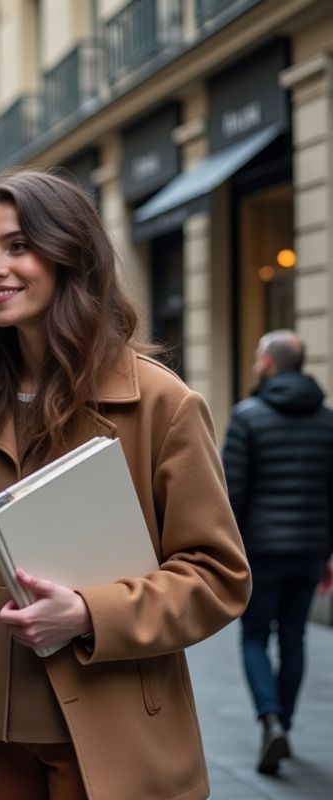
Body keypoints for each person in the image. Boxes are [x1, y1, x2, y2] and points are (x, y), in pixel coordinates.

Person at [0, 171, 251, 800]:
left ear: (70, 255)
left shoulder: (161, 404)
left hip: (105, 731)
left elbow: (219, 575)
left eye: (18, 246)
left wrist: (90, 612)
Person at [222, 329, 333, 774]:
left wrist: (227, 551)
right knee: (294, 638)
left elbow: (232, 494)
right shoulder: (328, 420)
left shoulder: (248, 416)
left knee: (253, 636)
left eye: (255, 358)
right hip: (308, 550)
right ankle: (282, 722)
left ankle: (270, 720)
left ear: (268, 364)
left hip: (261, 552)